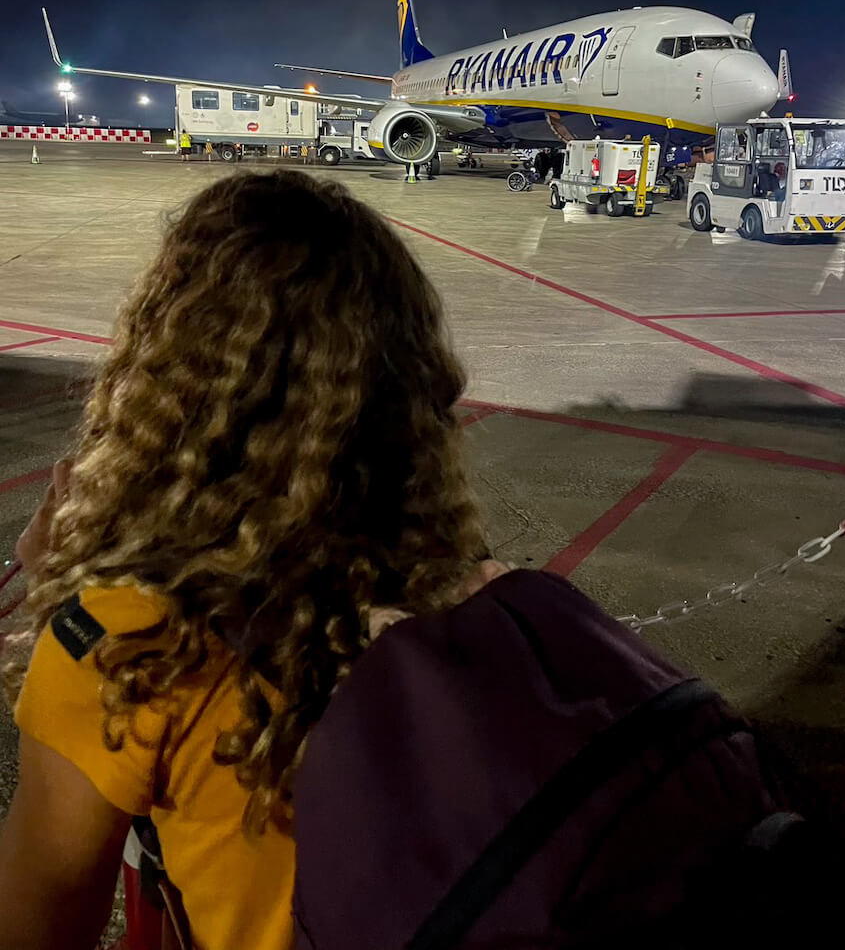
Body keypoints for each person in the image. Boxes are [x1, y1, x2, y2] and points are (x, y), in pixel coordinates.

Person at [0, 171, 488, 950]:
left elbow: (34, 929)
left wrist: (59, 601)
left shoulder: (132, 645)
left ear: (172, 376)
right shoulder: (477, 604)